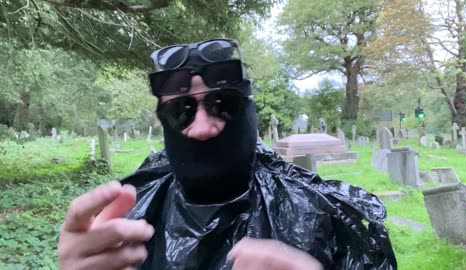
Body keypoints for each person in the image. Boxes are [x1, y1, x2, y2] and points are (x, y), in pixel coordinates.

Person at [58, 38, 397, 270]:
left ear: (249, 112)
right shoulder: (125, 216)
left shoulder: (328, 215)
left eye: (223, 104)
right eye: (181, 110)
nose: (203, 127)